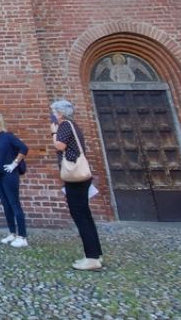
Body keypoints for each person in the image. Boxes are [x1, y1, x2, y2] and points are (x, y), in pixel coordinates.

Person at [51, 98, 103, 271]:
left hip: (75, 176)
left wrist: (53, 133)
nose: (53, 115)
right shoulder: (73, 125)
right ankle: (95, 254)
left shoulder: (64, 125)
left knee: (80, 215)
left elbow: (59, 146)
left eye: (54, 112)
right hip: (81, 177)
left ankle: (92, 258)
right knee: (85, 215)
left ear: (60, 113)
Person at [0, 112, 29, 248]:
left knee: (14, 203)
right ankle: (12, 232)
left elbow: (23, 148)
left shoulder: (8, 136)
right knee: (6, 204)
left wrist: (14, 163)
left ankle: (22, 236)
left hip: (9, 173)